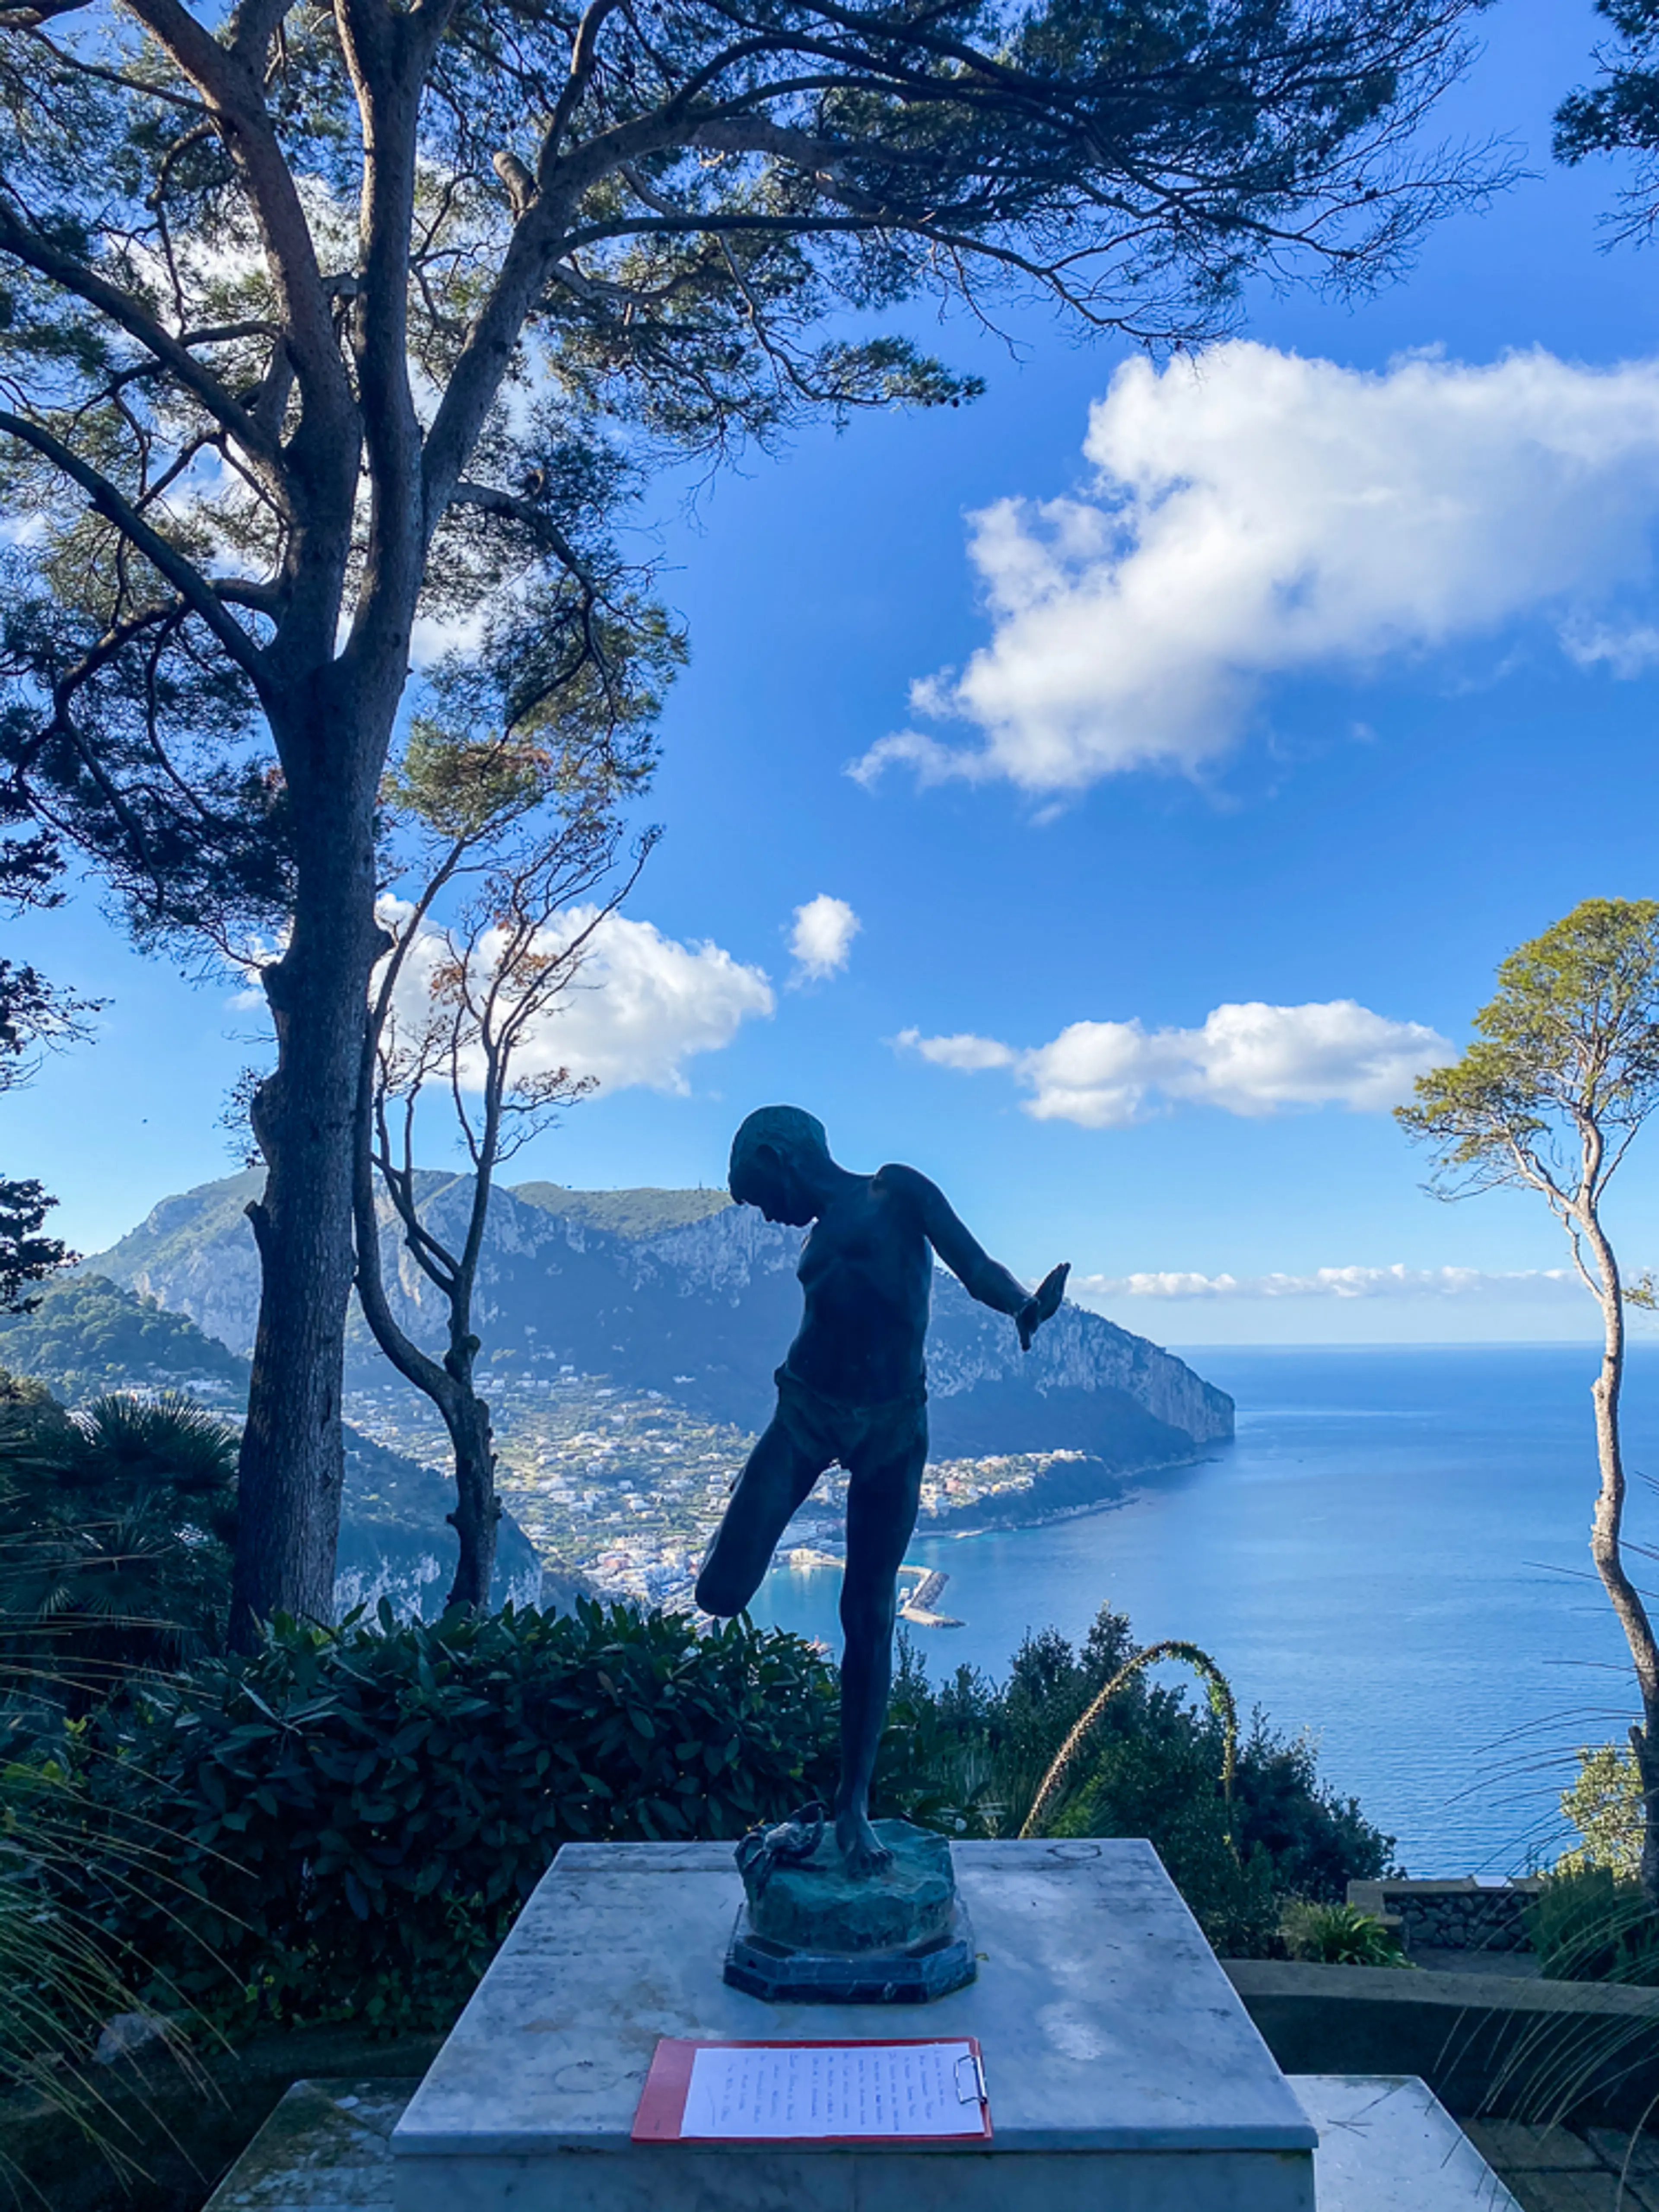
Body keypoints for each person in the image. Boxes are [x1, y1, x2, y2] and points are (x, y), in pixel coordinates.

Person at [695, 1105, 1068, 1873]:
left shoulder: (895, 1191)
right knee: (719, 1593)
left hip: (894, 1428)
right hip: (804, 1410)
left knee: (869, 1615)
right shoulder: (814, 1233)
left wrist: (1022, 1307)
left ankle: (852, 1807)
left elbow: (974, 1267)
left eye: (757, 1191)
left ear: (780, 1156)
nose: (764, 1214)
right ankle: (732, 1528)